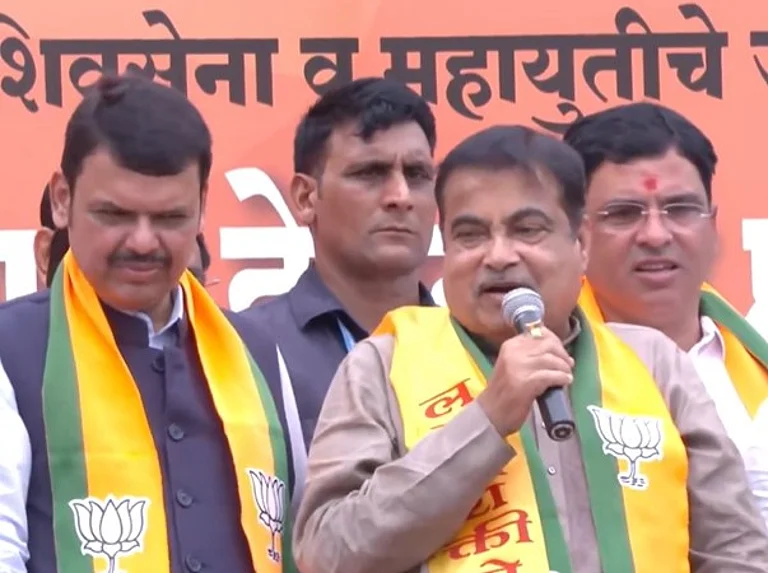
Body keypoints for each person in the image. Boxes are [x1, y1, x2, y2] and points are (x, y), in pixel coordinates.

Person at [293, 125, 768, 573]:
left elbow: (734, 551)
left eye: (528, 230)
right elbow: (329, 552)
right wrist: (487, 421)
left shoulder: (652, 362)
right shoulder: (384, 363)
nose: (498, 256)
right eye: (471, 235)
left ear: (580, 243)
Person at [0, 73, 296, 573]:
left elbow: (306, 531)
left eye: (168, 218)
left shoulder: (259, 351)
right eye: (114, 214)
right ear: (61, 199)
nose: (142, 241)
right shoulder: (12, 350)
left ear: (202, 206)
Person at [242, 77, 437, 498]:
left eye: (418, 174)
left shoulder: (478, 348)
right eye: (370, 173)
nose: (401, 196)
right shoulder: (247, 351)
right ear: (305, 198)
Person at [563, 102, 768, 485]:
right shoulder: (541, 377)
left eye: (680, 209)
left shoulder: (757, 355)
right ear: (576, 233)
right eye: (623, 213)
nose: (656, 235)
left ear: (713, 226)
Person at [34, 185, 211, 287]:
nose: (143, 242)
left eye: (190, 283)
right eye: (115, 214)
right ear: (46, 256)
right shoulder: (10, 344)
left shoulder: (232, 344)